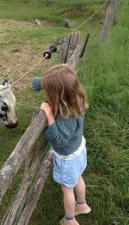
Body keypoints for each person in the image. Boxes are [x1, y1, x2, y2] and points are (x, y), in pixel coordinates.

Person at [32, 64, 91, 225]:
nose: (46, 94)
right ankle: (82, 205)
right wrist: (39, 83)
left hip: (68, 158)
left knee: (67, 189)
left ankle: (70, 220)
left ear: (58, 95)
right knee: (78, 177)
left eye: (48, 92)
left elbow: (59, 139)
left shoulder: (67, 116)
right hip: (78, 150)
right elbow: (55, 81)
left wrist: (50, 116)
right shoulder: (75, 98)